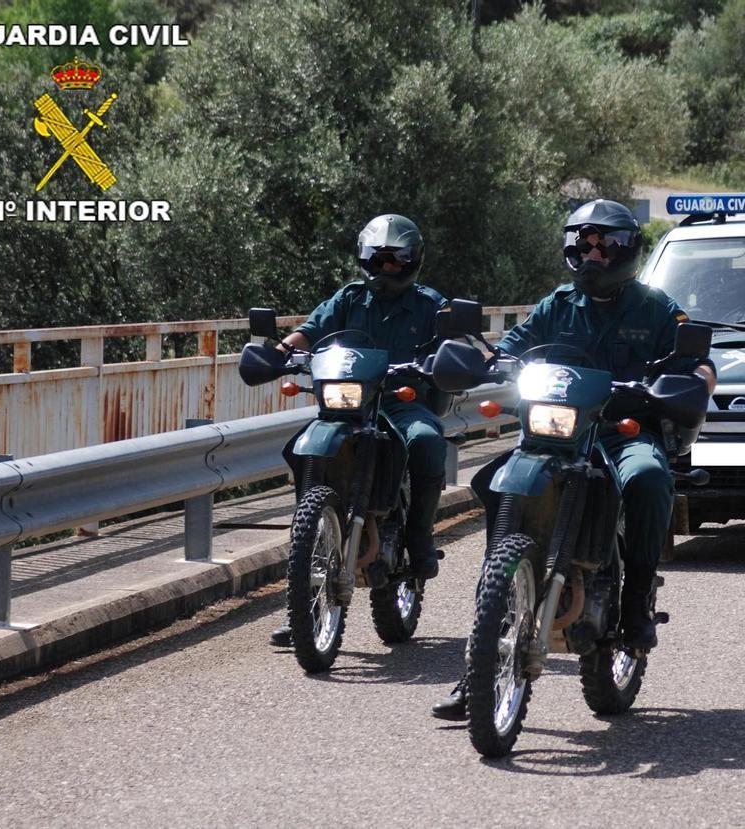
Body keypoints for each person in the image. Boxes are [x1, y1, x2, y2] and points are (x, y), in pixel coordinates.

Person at [430, 199, 716, 719]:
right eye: (584, 243)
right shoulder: (555, 305)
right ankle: (478, 667)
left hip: (621, 432)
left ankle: (634, 608)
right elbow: (510, 348)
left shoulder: (656, 308)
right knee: (495, 483)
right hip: (553, 433)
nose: (593, 253)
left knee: (650, 478)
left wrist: (693, 381)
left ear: (627, 250)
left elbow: (698, 363)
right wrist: (484, 359)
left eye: (605, 244)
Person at [270, 214, 447, 648]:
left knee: (426, 441)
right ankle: (304, 595)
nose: (387, 267)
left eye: (397, 260)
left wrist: (448, 357)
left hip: (401, 405)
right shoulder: (349, 298)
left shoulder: (429, 304)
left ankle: (419, 538)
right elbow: (309, 332)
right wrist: (277, 352)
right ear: (366, 259)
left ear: (413, 261)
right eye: (379, 259)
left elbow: (453, 343)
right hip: (348, 404)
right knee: (300, 448)